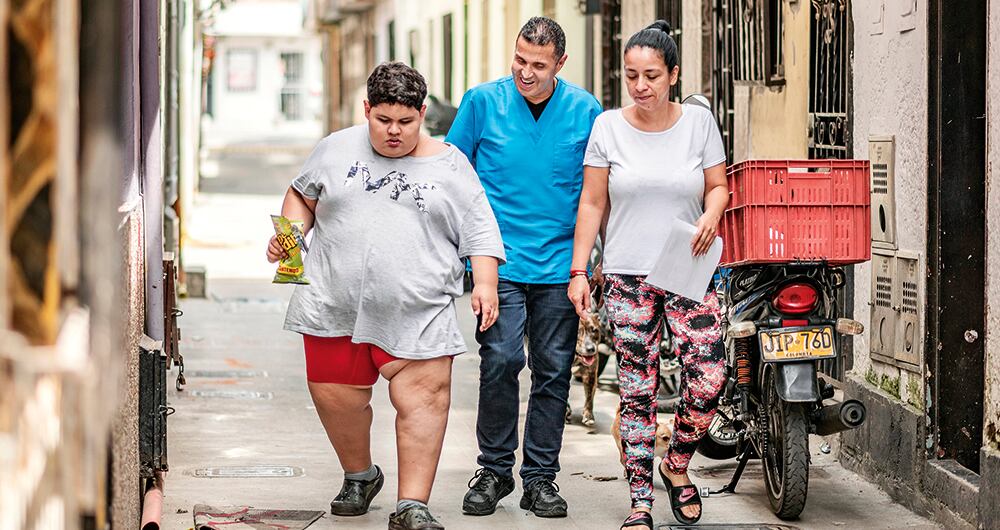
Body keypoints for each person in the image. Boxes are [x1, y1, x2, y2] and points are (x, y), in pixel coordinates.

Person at [267, 62, 505, 530]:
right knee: (338, 399)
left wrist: (485, 284)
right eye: (383, 120)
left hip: (419, 310)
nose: (394, 132)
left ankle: (412, 505)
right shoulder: (334, 149)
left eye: (406, 121)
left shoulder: (451, 163)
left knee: (424, 402)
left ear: (422, 114)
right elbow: (301, 196)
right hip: (334, 306)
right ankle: (360, 475)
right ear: (367, 110)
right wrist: (289, 242)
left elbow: (479, 230)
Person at [566, 20, 728, 529]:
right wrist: (578, 270)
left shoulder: (699, 124)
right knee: (637, 389)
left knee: (708, 377)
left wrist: (711, 213)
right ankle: (640, 502)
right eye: (632, 75)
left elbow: (719, 186)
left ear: (673, 75)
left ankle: (676, 462)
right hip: (627, 275)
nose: (641, 86)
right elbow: (592, 202)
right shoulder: (608, 128)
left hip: (690, 265)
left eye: (652, 75)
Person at [445, 16, 602, 519]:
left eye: (538, 64)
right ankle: (493, 470)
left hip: (561, 266)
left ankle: (539, 479)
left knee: (554, 371)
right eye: (519, 60)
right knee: (501, 362)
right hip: (498, 263)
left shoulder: (585, 111)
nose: (526, 73)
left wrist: (588, 267)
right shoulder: (481, 103)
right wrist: (464, 257)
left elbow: (597, 194)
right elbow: (452, 178)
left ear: (561, 63)